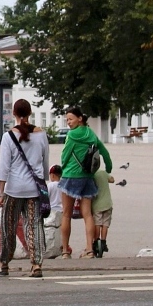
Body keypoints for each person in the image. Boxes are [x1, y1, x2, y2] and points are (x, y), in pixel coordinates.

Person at [0, 98, 50, 277]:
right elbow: (45, 162)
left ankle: (4, 263)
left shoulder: (8, 136)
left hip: (13, 190)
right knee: (34, 226)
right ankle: (36, 265)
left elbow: (3, 167)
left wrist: (0, 193)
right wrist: (43, 183)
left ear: (14, 114)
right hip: (34, 190)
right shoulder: (42, 135)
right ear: (30, 113)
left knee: (9, 226)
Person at [58, 105, 113, 259]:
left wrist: (63, 167)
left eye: (70, 119)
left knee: (67, 214)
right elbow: (104, 152)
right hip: (87, 177)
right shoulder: (91, 134)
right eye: (67, 119)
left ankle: (65, 252)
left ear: (79, 118)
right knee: (88, 215)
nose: (68, 122)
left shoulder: (72, 135)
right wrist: (108, 168)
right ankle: (89, 250)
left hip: (70, 177)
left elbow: (65, 156)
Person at [91, 166, 116, 257]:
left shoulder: (92, 175)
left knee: (97, 223)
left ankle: (96, 241)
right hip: (107, 203)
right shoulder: (103, 173)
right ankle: (103, 242)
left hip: (97, 204)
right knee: (105, 224)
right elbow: (112, 180)